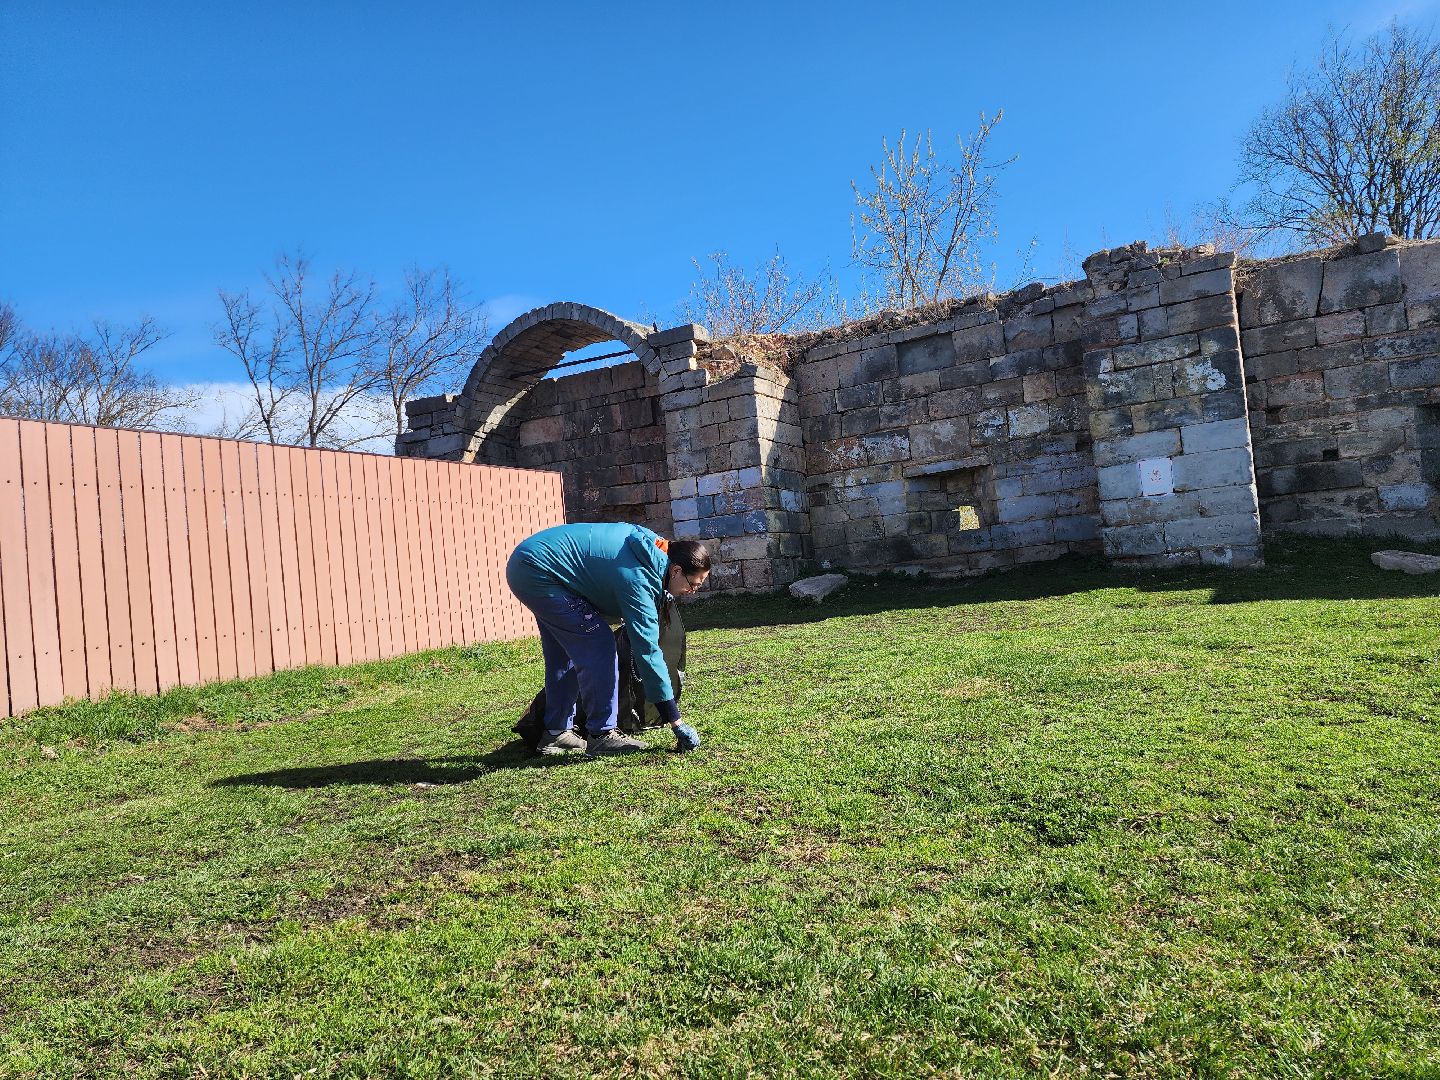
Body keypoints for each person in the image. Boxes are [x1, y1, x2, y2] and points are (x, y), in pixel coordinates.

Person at [505, 521, 710, 756]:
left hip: (531, 562)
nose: (693, 592)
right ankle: (602, 735)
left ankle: (556, 732)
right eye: (693, 585)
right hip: (540, 571)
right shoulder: (639, 579)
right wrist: (675, 721)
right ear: (675, 570)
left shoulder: (654, 548)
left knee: (563, 654)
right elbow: (648, 651)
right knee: (599, 644)